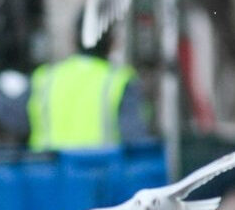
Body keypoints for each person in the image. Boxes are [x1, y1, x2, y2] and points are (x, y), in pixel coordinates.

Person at [25, 16, 152, 150]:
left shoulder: (45, 78)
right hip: (103, 168)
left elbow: (16, 120)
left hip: (48, 169)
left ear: (73, 39)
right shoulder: (120, 81)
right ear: (113, 42)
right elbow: (136, 140)